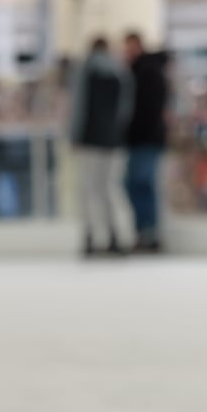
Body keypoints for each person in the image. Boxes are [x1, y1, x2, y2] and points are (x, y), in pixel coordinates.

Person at [67, 36, 133, 257]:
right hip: (114, 141)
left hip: (89, 139)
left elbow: (78, 105)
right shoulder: (121, 72)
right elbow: (126, 109)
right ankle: (118, 235)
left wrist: (74, 135)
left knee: (88, 190)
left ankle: (91, 236)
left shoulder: (85, 70)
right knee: (111, 189)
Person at [121, 31, 172, 253]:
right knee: (134, 184)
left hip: (147, 139)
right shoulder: (136, 71)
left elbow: (149, 110)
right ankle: (143, 231)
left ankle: (149, 232)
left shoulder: (147, 72)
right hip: (138, 139)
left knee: (142, 184)